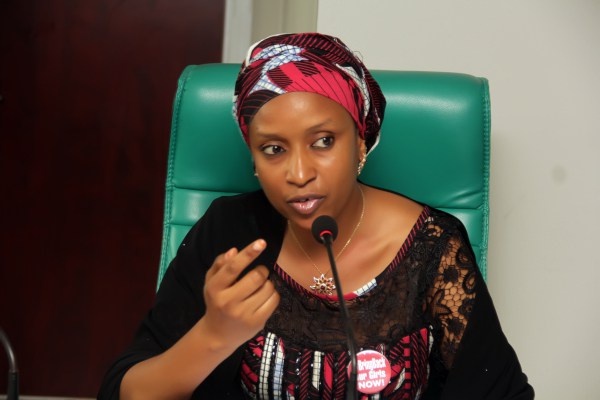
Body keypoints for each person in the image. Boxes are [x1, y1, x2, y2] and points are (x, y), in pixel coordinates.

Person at [99, 33, 534, 399]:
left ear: (360, 142)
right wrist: (214, 336)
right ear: (254, 159)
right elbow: (125, 391)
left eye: (323, 141)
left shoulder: (433, 247)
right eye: (273, 149)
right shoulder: (230, 234)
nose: (299, 173)